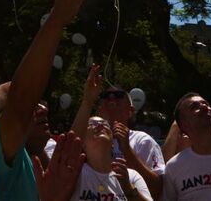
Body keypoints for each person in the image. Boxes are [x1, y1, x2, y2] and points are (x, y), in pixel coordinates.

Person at [0, 0, 93, 200]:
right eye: (33, 105)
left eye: (40, 104)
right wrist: (57, 19)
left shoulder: (45, 168)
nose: (42, 109)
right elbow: (21, 101)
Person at [71, 65, 165, 198]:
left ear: (131, 111)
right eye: (105, 95)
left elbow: (157, 190)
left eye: (119, 95)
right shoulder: (87, 138)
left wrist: (127, 151)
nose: (111, 98)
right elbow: (69, 150)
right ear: (99, 110)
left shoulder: (142, 141)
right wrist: (87, 101)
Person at [72, 116, 151, 200]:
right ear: (82, 142)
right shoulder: (74, 174)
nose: (100, 125)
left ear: (113, 143)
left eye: (105, 124)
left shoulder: (131, 176)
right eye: (93, 124)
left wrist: (129, 189)